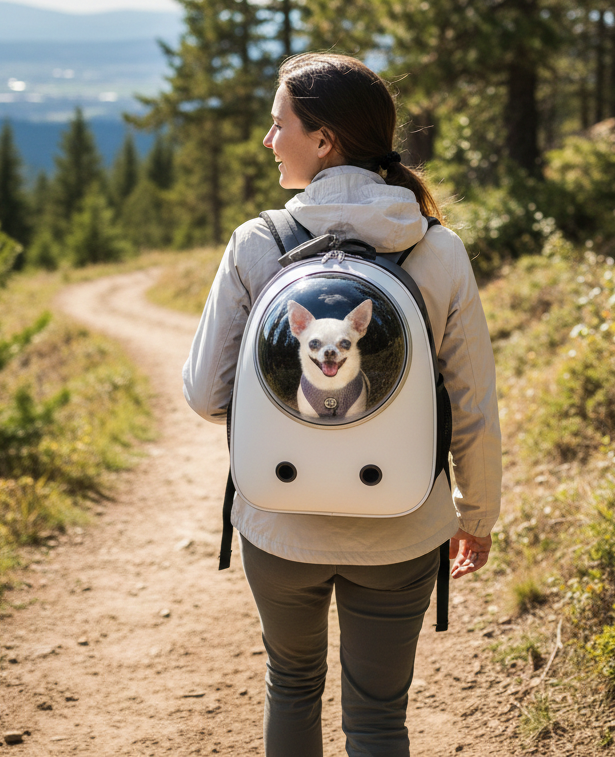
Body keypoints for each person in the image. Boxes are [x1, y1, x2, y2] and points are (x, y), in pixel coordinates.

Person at [182, 53, 501, 757]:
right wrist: (475, 515)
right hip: (403, 524)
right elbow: (472, 401)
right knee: (380, 718)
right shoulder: (437, 248)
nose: (269, 140)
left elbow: (206, 395)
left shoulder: (258, 242)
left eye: (279, 125)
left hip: (280, 521)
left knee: (292, 686)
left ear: (324, 140)